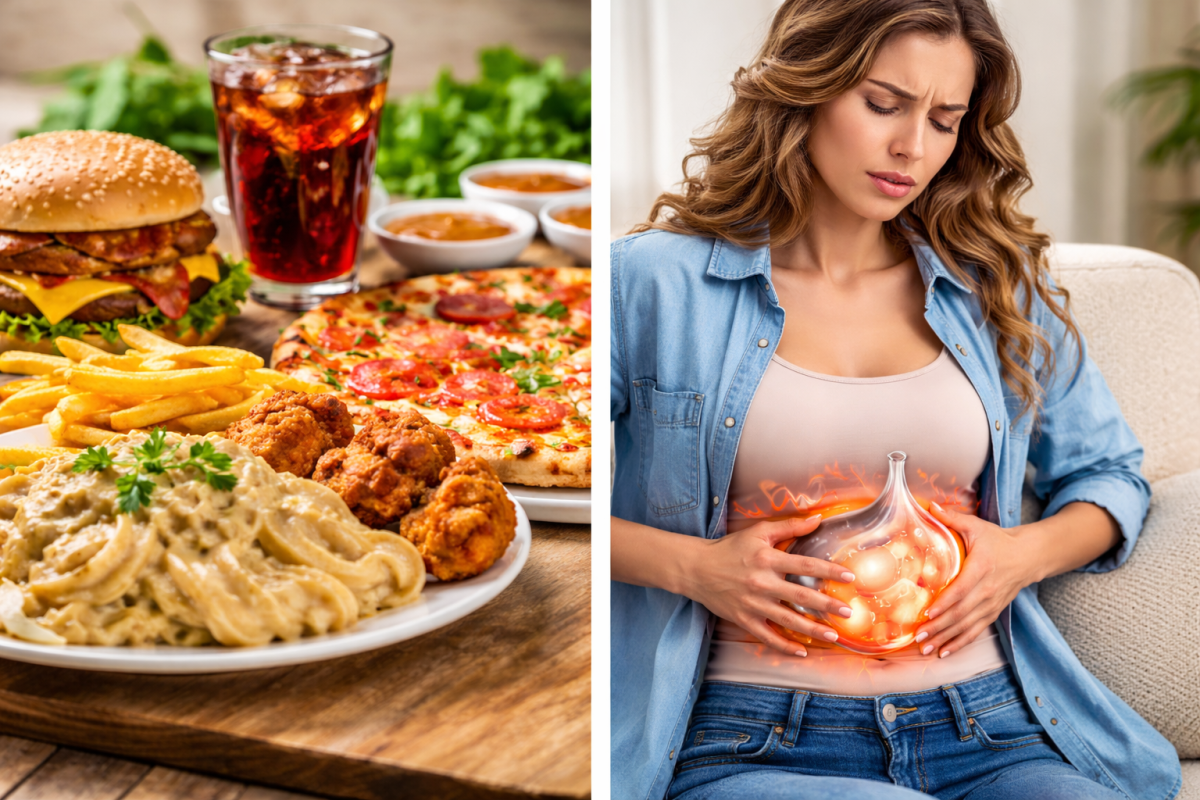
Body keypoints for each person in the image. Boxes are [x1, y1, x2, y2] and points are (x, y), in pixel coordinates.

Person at [609, 1, 1181, 798]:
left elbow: (1111, 477)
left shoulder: (996, 287)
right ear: (805, 90)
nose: (913, 147)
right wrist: (698, 567)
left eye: (946, 120)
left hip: (993, 725)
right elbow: (541, 507)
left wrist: (1018, 557)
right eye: (883, 104)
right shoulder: (653, 282)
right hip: (758, 736)